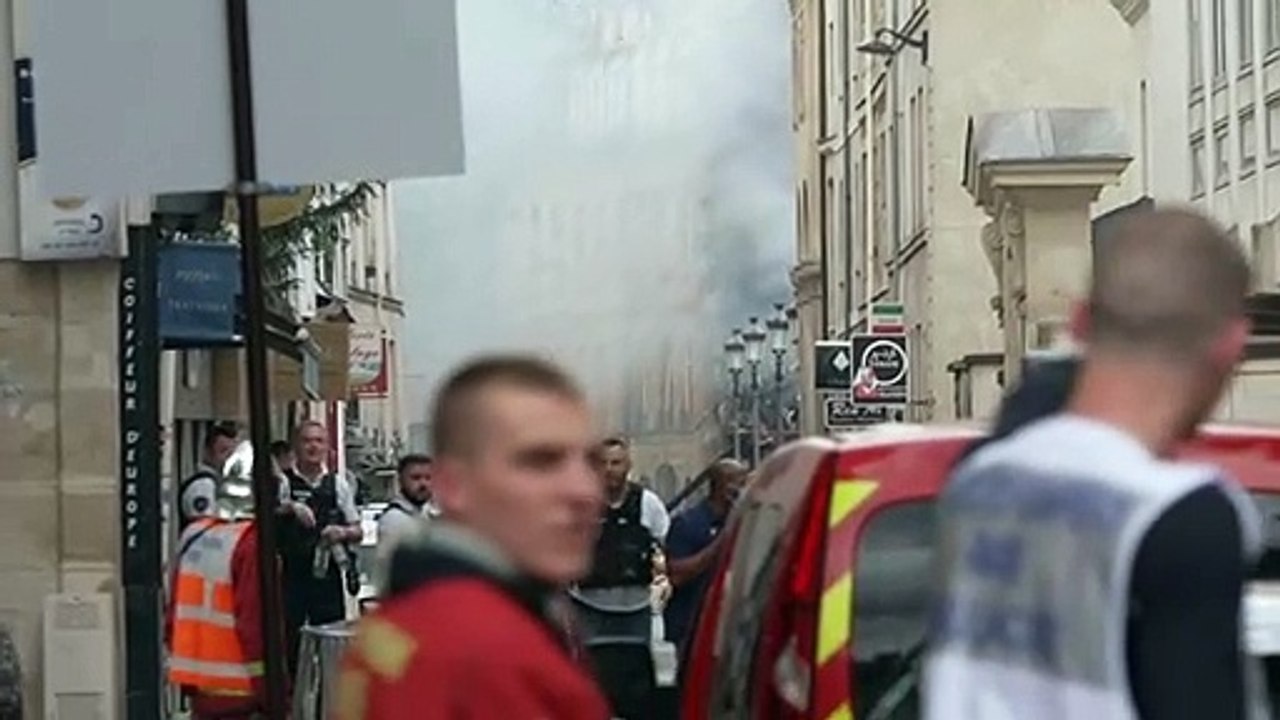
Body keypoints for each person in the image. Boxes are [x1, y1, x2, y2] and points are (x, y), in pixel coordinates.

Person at [924, 207, 1265, 719]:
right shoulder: (1178, 514)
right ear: (1232, 345)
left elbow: (1035, 399)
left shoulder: (977, 480)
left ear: (1080, 322)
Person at [334, 355, 610, 720]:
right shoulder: (489, 650)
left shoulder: (413, 619)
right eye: (541, 461)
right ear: (453, 485)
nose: (585, 491)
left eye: (591, 462)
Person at [167, 441, 281, 720]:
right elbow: (254, 626)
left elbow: (173, 618)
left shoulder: (196, 537)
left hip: (201, 693)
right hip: (242, 693)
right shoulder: (251, 544)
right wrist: (275, 695)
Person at [278, 421, 362, 671]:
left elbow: (358, 530)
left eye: (319, 441)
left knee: (331, 643)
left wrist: (341, 532)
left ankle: (329, 691)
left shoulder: (338, 485)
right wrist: (291, 507)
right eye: (307, 441)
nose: (313, 447)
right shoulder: (283, 482)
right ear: (296, 446)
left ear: (327, 447)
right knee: (290, 641)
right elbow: (263, 515)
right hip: (291, 575)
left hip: (327, 576)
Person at [664, 458, 746, 652]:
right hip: (691, 626)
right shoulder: (687, 523)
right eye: (739, 483)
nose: (743, 490)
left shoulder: (744, 522)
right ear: (722, 486)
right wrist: (721, 541)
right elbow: (676, 575)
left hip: (729, 626)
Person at [580, 436, 670, 590]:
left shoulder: (648, 503)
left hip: (639, 598)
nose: (609, 469)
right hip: (588, 599)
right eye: (603, 463)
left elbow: (664, 550)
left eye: (615, 463)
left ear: (628, 466)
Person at [373, 454, 435, 594]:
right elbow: (388, 569)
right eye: (415, 478)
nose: (423, 484)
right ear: (401, 480)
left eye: (428, 478)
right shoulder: (394, 520)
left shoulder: (427, 514)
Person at [178, 421, 239, 529]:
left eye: (231, 453)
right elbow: (203, 528)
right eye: (222, 451)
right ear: (206, 450)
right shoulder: (203, 485)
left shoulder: (217, 484)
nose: (227, 458)